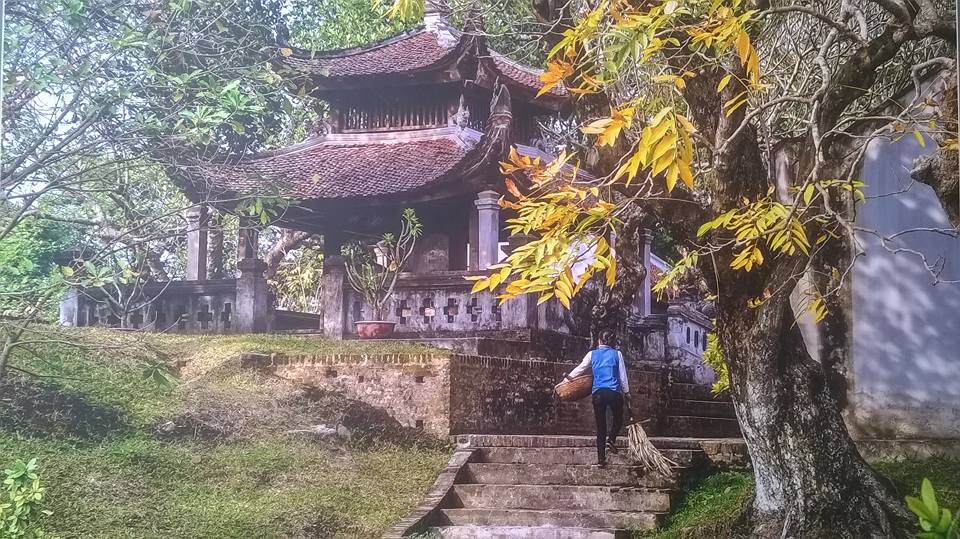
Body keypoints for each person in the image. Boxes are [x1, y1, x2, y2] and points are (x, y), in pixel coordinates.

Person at [563, 329, 630, 466]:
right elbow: (623, 376)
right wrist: (627, 392)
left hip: (598, 393)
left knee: (601, 427)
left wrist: (566, 379)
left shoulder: (591, 354)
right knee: (618, 418)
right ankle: (611, 439)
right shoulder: (617, 354)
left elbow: (580, 369)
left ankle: (601, 459)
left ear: (599, 340)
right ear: (612, 341)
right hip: (614, 392)